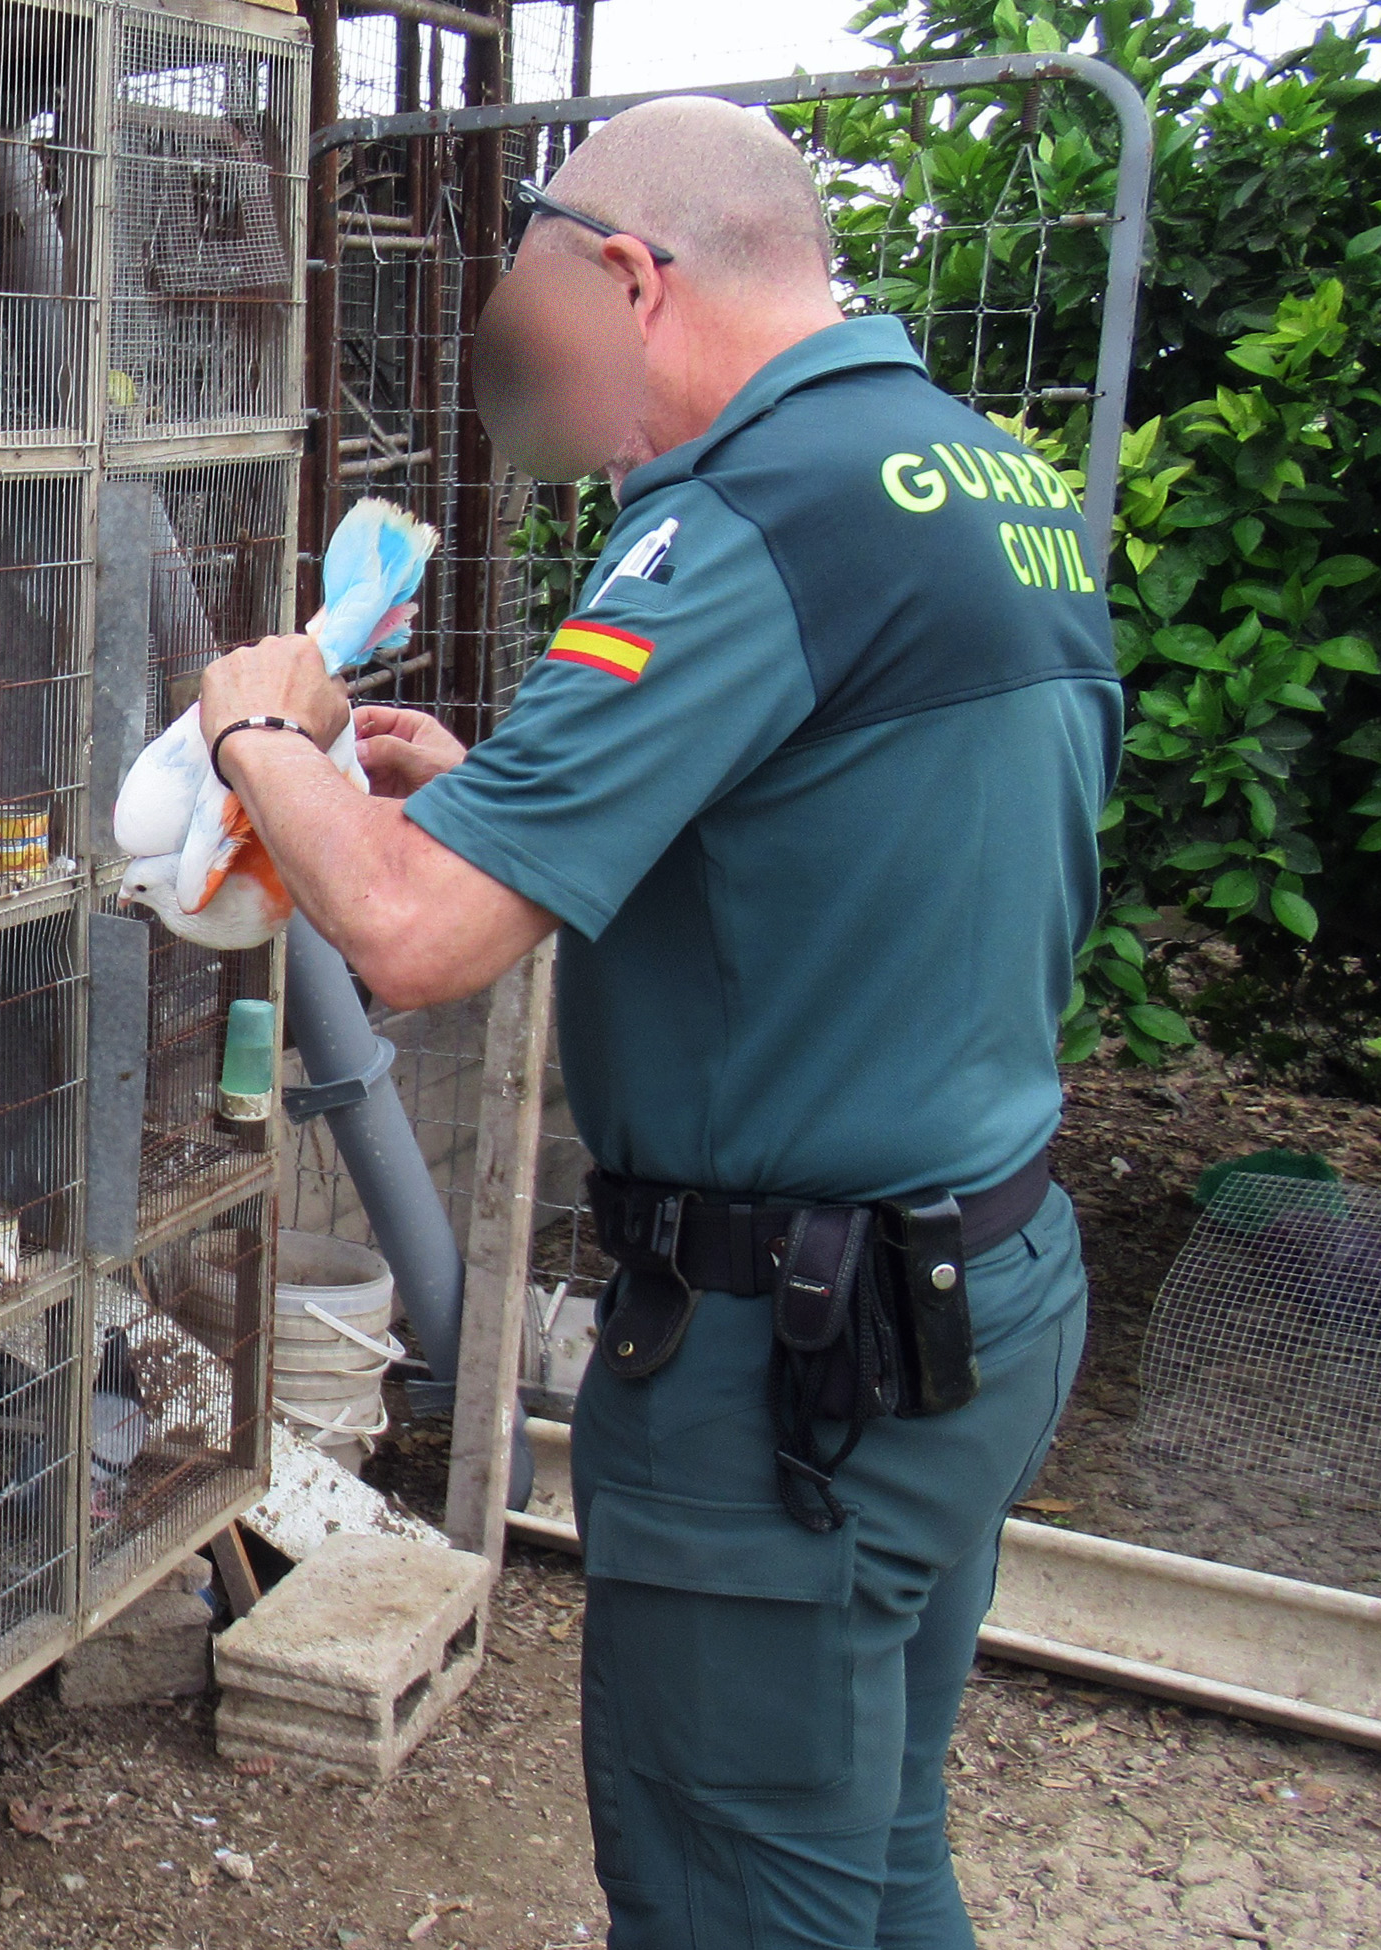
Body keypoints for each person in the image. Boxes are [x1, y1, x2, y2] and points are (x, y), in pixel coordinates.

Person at [192, 97, 1118, 1950]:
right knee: (872, 1850)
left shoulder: (745, 517)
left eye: (548, 335)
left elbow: (410, 926)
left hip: (798, 1367)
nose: (551, 405)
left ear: (635, 276)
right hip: (982, 1291)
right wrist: (513, 790)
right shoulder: (968, 473)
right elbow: (856, 843)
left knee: (732, 1899)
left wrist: (262, 727)